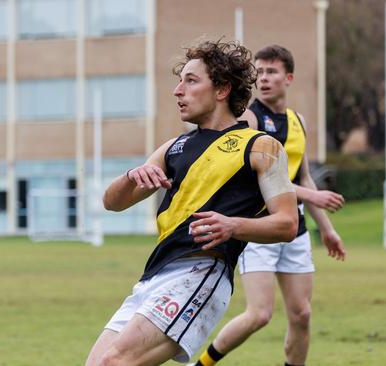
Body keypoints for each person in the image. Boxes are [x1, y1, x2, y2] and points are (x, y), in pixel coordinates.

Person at [85, 39, 299, 366]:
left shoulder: (260, 147)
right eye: (179, 80)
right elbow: (111, 203)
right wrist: (132, 176)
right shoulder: (174, 146)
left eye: (190, 80)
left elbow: (287, 223)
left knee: (113, 363)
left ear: (222, 89)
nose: (177, 91)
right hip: (154, 275)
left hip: (201, 269)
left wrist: (233, 226)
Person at [192, 45, 346, 366]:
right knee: (259, 314)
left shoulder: (298, 121)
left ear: (288, 77)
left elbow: (304, 178)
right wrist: (313, 196)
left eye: (271, 72)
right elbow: (263, 181)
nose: (263, 79)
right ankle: (203, 363)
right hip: (259, 226)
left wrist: (327, 229)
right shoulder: (249, 118)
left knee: (301, 313)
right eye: (259, 72)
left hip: (296, 228)